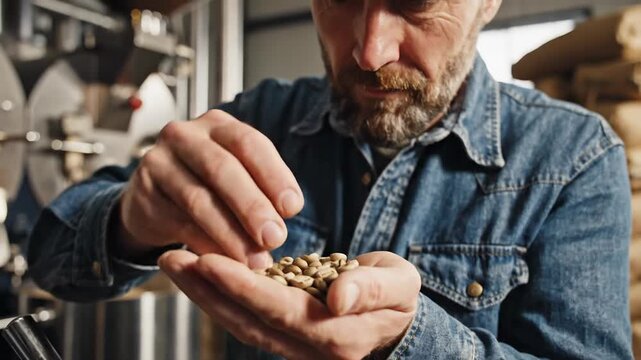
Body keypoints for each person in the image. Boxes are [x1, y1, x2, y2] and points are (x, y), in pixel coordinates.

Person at [27, 0, 633, 358]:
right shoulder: (263, 117)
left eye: (415, 3)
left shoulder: (574, 157)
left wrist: (411, 340)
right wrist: (132, 221)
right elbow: (49, 258)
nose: (369, 52)